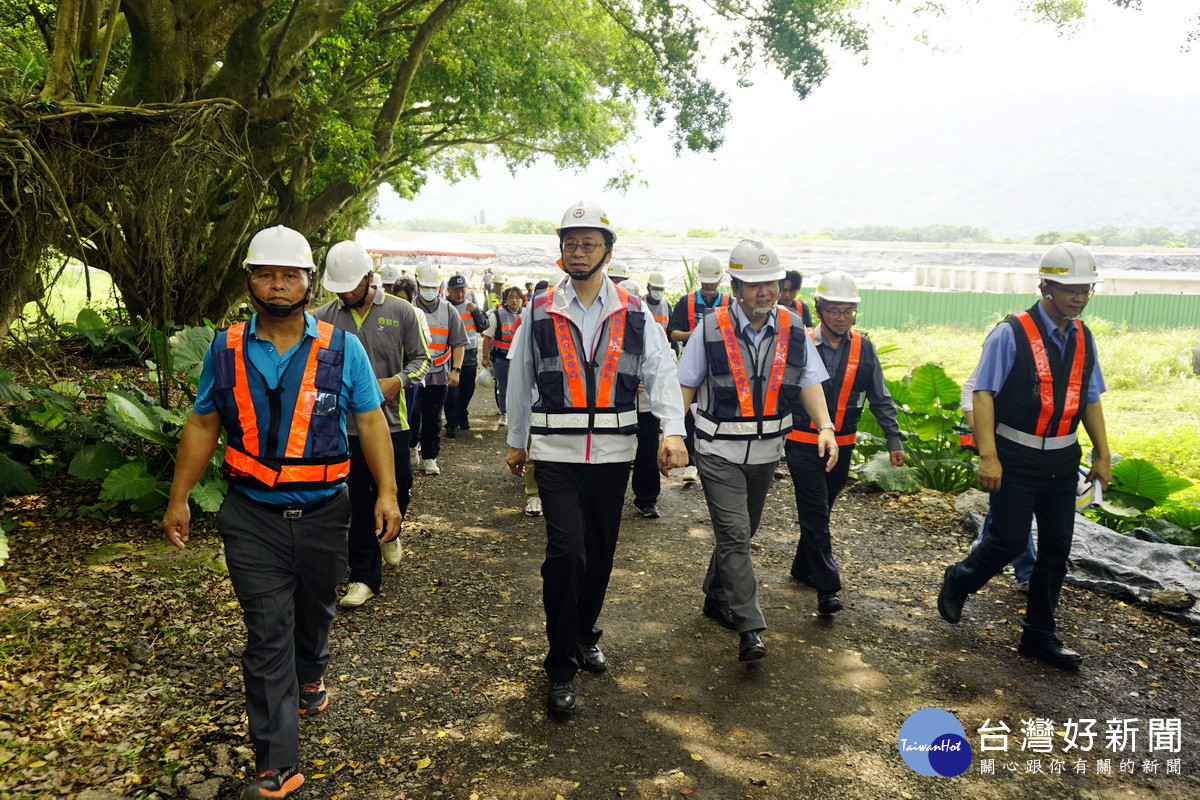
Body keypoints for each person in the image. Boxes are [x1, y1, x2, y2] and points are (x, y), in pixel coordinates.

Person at [160, 226, 402, 800]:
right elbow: (202, 422)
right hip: (252, 516)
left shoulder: (342, 349)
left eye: (289, 274)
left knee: (315, 611)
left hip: (324, 511)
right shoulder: (224, 349)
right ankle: (277, 764)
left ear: (307, 282)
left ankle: (313, 671)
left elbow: (370, 420)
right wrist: (179, 498)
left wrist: (388, 494)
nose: (277, 285)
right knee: (267, 634)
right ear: (249, 281)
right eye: (266, 274)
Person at [505, 200, 688, 715]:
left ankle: (585, 632)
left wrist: (672, 431)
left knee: (600, 554)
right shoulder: (539, 310)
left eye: (589, 243)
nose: (579, 252)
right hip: (557, 455)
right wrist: (517, 440)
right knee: (566, 553)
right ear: (560, 251)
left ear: (607, 251)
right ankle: (560, 665)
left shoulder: (633, 311)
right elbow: (520, 380)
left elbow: (660, 372)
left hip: (613, 456)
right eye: (571, 243)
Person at [938, 242, 1111, 671]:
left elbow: (1089, 400)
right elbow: (982, 394)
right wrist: (989, 456)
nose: (1080, 296)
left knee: (1056, 549)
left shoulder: (1083, 336)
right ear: (1045, 286)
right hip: (1015, 455)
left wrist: (1103, 454)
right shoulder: (1011, 332)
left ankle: (1039, 634)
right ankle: (960, 578)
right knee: (1008, 541)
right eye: (1070, 288)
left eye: (1086, 289)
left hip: (1062, 458)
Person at [678, 239, 835, 662]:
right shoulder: (710, 328)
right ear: (735, 286)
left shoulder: (793, 327)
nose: (764, 291)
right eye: (752, 284)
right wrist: (672, 435)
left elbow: (809, 381)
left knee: (742, 531)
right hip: (717, 451)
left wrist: (825, 427)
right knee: (735, 534)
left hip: (767, 453)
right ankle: (750, 626)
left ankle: (714, 596)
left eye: (771, 282)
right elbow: (686, 386)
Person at [312, 241, 430, 609]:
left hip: (393, 425)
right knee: (358, 501)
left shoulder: (402, 311)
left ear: (369, 277)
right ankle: (364, 576)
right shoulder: (321, 318)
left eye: (352, 285)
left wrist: (397, 381)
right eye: (339, 288)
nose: (346, 293)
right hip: (342, 429)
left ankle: (391, 531)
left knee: (398, 488)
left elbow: (422, 360)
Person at [785, 271, 905, 615]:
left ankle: (801, 567)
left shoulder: (864, 347)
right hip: (803, 442)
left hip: (844, 445)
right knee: (816, 511)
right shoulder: (801, 341)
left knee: (821, 510)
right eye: (834, 311)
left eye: (848, 311)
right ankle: (828, 588)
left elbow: (880, 397)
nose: (841, 318)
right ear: (819, 310)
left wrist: (893, 440)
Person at [667, 255, 732, 482]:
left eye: (712, 282)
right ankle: (692, 463)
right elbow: (672, 332)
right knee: (688, 412)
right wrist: (694, 335)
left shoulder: (729, 302)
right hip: (692, 364)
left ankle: (717, 458)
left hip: (722, 367)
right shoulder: (687, 302)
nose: (708, 286)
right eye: (705, 282)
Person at [408, 264, 468, 475]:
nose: (429, 290)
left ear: (440, 286)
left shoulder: (448, 310)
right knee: (412, 416)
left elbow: (459, 343)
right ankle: (412, 446)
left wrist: (456, 370)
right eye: (425, 286)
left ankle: (430, 457)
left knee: (433, 417)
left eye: (433, 286)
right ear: (417, 284)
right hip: (413, 375)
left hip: (438, 374)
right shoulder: (408, 307)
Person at [443, 274, 488, 437]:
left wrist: (476, 311)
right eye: (456, 291)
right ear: (449, 290)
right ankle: (452, 423)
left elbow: (483, 325)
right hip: (449, 354)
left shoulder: (472, 306)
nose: (460, 294)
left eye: (463, 290)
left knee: (467, 389)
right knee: (451, 392)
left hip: (469, 353)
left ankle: (463, 414)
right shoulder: (444, 306)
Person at [480, 284, 523, 426]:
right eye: (511, 297)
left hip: (520, 358)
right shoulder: (497, 315)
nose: (514, 301)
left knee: (520, 386)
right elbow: (487, 337)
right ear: (505, 300)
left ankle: (518, 412)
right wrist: (485, 357)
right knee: (503, 386)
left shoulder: (527, 314)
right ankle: (504, 413)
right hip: (501, 358)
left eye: (518, 298)